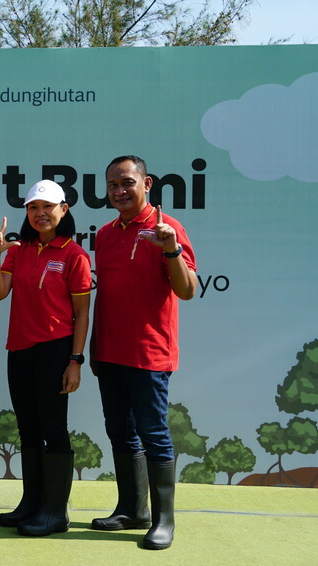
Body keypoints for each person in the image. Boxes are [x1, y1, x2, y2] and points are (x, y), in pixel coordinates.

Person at [90, 155, 198, 550]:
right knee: (120, 432)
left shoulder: (167, 229)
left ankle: (164, 520)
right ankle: (132, 509)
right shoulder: (104, 233)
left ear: (147, 183)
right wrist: (93, 348)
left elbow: (187, 290)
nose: (119, 190)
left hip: (149, 354)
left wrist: (170, 250)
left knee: (154, 435)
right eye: (113, 184)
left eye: (127, 182)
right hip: (109, 350)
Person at [0, 180, 91, 536]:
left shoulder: (75, 255)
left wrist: (75, 360)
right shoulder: (19, 249)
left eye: (47, 207)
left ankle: (55, 513)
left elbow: (82, 314)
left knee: (53, 429)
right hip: (19, 351)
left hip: (55, 351)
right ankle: (31, 503)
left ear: (63, 209)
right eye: (33, 208)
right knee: (28, 429)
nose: (40, 214)